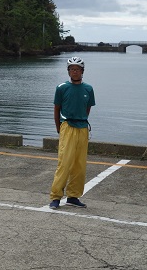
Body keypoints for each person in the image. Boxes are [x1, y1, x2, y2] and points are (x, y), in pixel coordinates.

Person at [49, 56, 95, 209]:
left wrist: (82, 120)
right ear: (68, 71)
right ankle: (55, 196)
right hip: (67, 126)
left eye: (77, 69)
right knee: (64, 163)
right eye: (72, 69)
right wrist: (59, 127)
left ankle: (73, 196)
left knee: (79, 165)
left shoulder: (88, 89)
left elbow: (87, 108)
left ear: (82, 71)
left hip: (82, 127)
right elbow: (57, 109)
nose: (75, 72)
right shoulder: (61, 88)